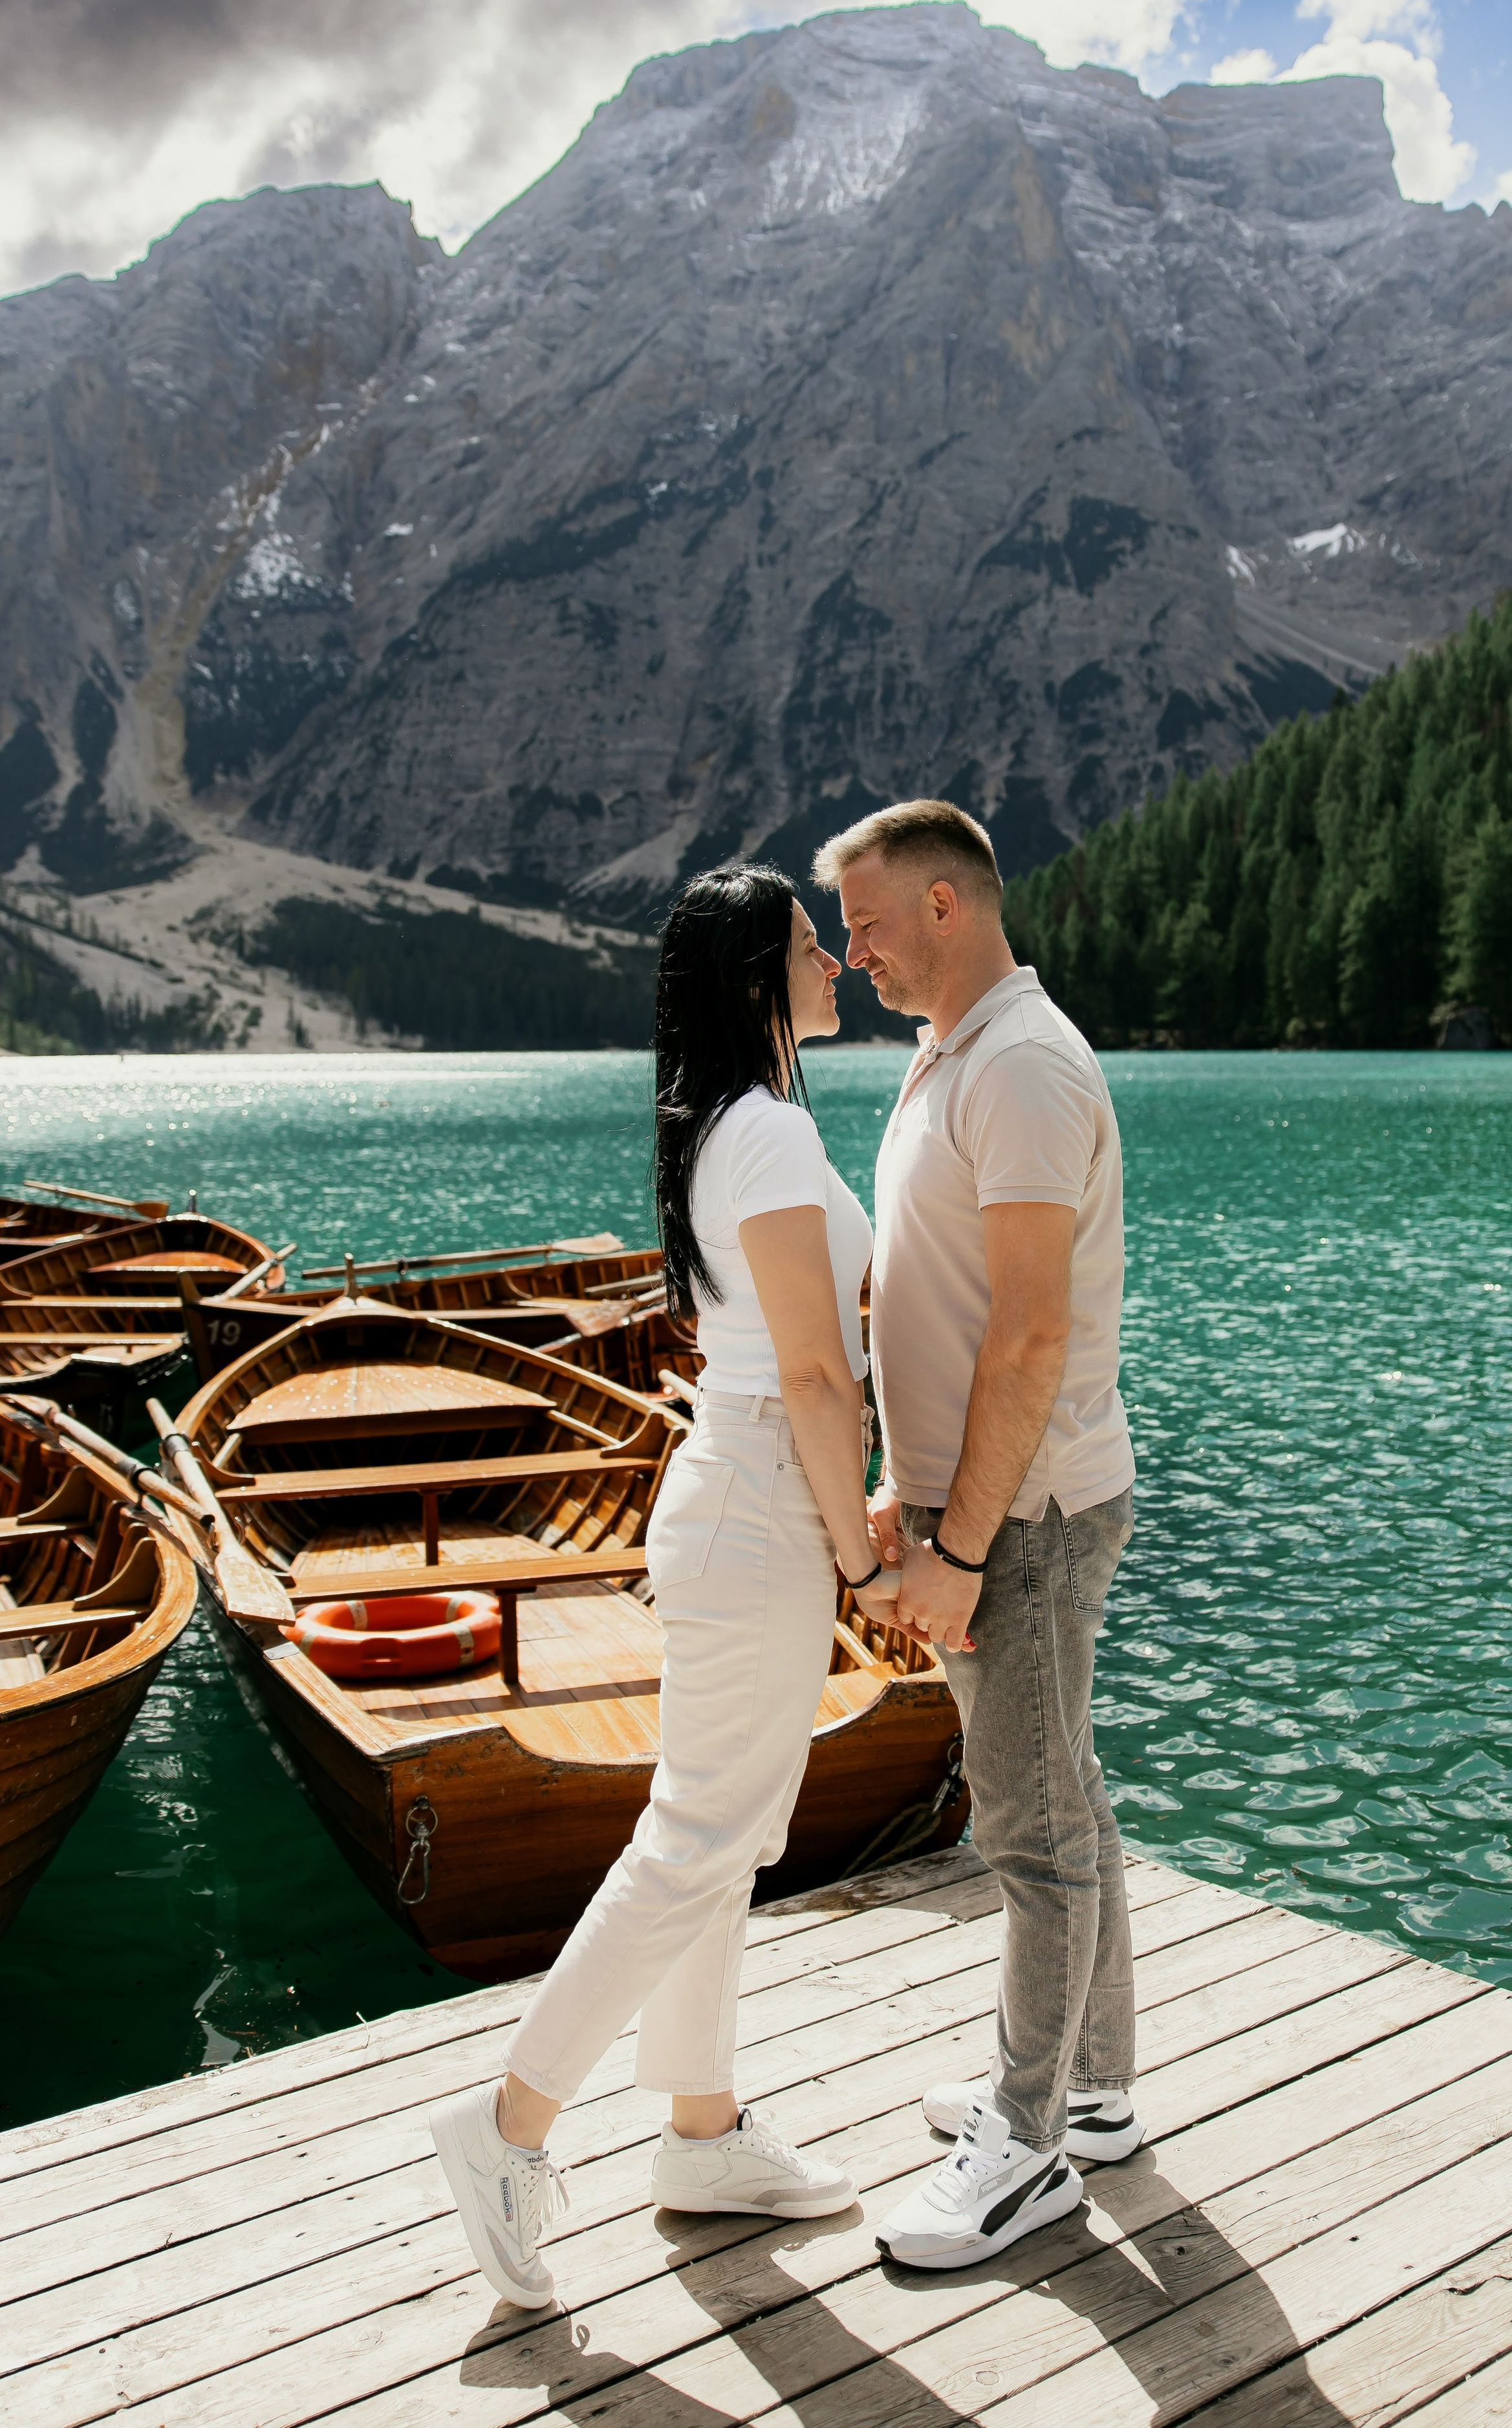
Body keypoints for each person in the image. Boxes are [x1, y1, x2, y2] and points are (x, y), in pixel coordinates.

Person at [428, 864, 899, 2310]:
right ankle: (506, 2125)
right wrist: (865, 1549)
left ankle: (699, 2132)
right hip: (759, 1496)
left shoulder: (748, 1126)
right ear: (760, 971)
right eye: (813, 946)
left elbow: (817, 1348)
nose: (834, 964)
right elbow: (816, 1373)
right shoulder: (757, 1136)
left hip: (747, 1496)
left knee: (724, 1828)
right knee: (696, 1834)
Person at [812, 798, 1141, 2272]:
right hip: (977, 1497)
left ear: (945, 905)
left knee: (1024, 1824)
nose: (849, 952)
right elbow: (930, 1307)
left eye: (866, 923)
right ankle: (1090, 2085)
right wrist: (904, 1482)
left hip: (1028, 1512)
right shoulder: (951, 1056)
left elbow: (1025, 1338)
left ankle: (1025, 2149)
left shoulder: (1017, 1066)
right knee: (1060, 1791)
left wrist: (954, 1548)